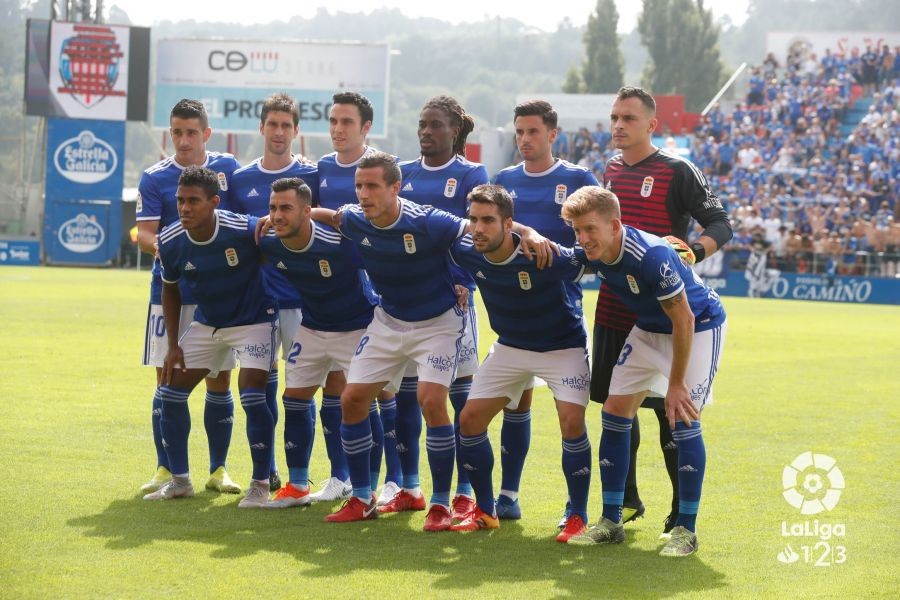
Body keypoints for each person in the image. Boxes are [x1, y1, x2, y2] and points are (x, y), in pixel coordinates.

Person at [296, 152, 552, 528]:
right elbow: (328, 215)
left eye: (372, 186)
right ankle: (363, 498)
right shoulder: (355, 218)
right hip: (387, 321)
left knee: (432, 401)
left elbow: (480, 228)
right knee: (352, 399)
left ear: (395, 187)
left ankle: (439, 503)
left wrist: (527, 232)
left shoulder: (428, 220)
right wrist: (284, 217)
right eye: (359, 186)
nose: (363, 194)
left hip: (437, 323)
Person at [594, 86, 732, 535]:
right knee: (616, 408)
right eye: (614, 117)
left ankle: (680, 514)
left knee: (670, 413)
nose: (618, 125)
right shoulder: (610, 169)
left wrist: (691, 251)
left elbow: (721, 223)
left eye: (628, 118)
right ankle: (626, 501)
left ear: (652, 125)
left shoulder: (678, 170)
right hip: (617, 308)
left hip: (668, 305)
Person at [562, 186, 726, 557]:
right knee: (615, 411)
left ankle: (686, 529)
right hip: (651, 328)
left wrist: (676, 384)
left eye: (590, 229)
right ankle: (610, 521)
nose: (583, 239)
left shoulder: (651, 256)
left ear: (615, 225)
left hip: (697, 327)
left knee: (683, 418)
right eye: (577, 231)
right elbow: (557, 255)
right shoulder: (595, 250)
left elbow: (683, 317)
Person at [446, 184, 592, 543]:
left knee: (571, 422)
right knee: (469, 419)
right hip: (511, 347)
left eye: (488, 221)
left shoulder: (542, 254)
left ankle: (577, 515)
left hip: (563, 347)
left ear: (508, 224)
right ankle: (485, 510)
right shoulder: (465, 250)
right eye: (474, 219)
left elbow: (593, 256)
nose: (478, 228)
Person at [492, 100, 599, 525]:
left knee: (569, 416)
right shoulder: (504, 180)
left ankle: (576, 509)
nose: (524, 139)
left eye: (532, 131)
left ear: (552, 134)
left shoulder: (576, 179)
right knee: (515, 406)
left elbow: (595, 241)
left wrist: (563, 261)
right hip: (513, 316)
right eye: (519, 131)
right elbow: (485, 228)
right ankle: (507, 495)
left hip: (561, 315)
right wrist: (525, 230)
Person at [145, 166, 278, 509]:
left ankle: (261, 485)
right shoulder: (172, 240)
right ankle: (180, 481)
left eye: (193, 201)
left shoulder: (243, 229)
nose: (184, 208)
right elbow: (170, 291)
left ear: (214, 202)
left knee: (251, 397)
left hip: (253, 322)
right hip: (208, 324)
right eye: (180, 201)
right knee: (170, 394)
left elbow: (277, 248)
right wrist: (173, 345)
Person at [385, 96, 488, 519]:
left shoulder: (470, 173)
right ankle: (410, 485)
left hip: (453, 302)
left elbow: (476, 230)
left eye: (435, 125)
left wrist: (464, 280)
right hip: (408, 303)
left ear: (454, 131)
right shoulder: (403, 173)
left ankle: (464, 489)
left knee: (458, 398)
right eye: (422, 124)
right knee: (407, 398)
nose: (426, 131)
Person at [135, 99, 241, 496]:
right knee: (165, 377)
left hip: (218, 293)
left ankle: (219, 470)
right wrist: (174, 248)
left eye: (191, 132)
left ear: (206, 134)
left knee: (219, 378)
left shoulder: (228, 169)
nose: (182, 140)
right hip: (170, 290)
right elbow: (145, 233)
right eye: (176, 132)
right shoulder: (154, 177)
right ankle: (166, 468)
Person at [257, 177, 381, 507]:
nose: (277, 216)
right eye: (272, 208)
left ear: (306, 211)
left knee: (365, 403)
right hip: (312, 328)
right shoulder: (269, 242)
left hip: (357, 327)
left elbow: (379, 249)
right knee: (294, 399)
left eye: (286, 208)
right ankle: (297, 487)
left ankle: (368, 487)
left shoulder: (340, 242)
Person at [313, 91, 399, 503]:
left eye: (346, 122)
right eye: (332, 121)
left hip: (374, 289)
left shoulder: (379, 167)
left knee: (380, 389)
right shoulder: (323, 168)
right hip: (332, 290)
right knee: (335, 386)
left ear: (366, 127)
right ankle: (340, 476)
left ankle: (394, 479)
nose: (337, 129)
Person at [231, 92, 319, 491]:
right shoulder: (240, 180)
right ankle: (264, 471)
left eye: (287, 125)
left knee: (303, 387)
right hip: (258, 300)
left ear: (296, 131)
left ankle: (310, 477)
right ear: (261, 127)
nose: (279, 132)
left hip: (302, 299)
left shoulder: (312, 177)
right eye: (273, 124)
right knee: (258, 385)